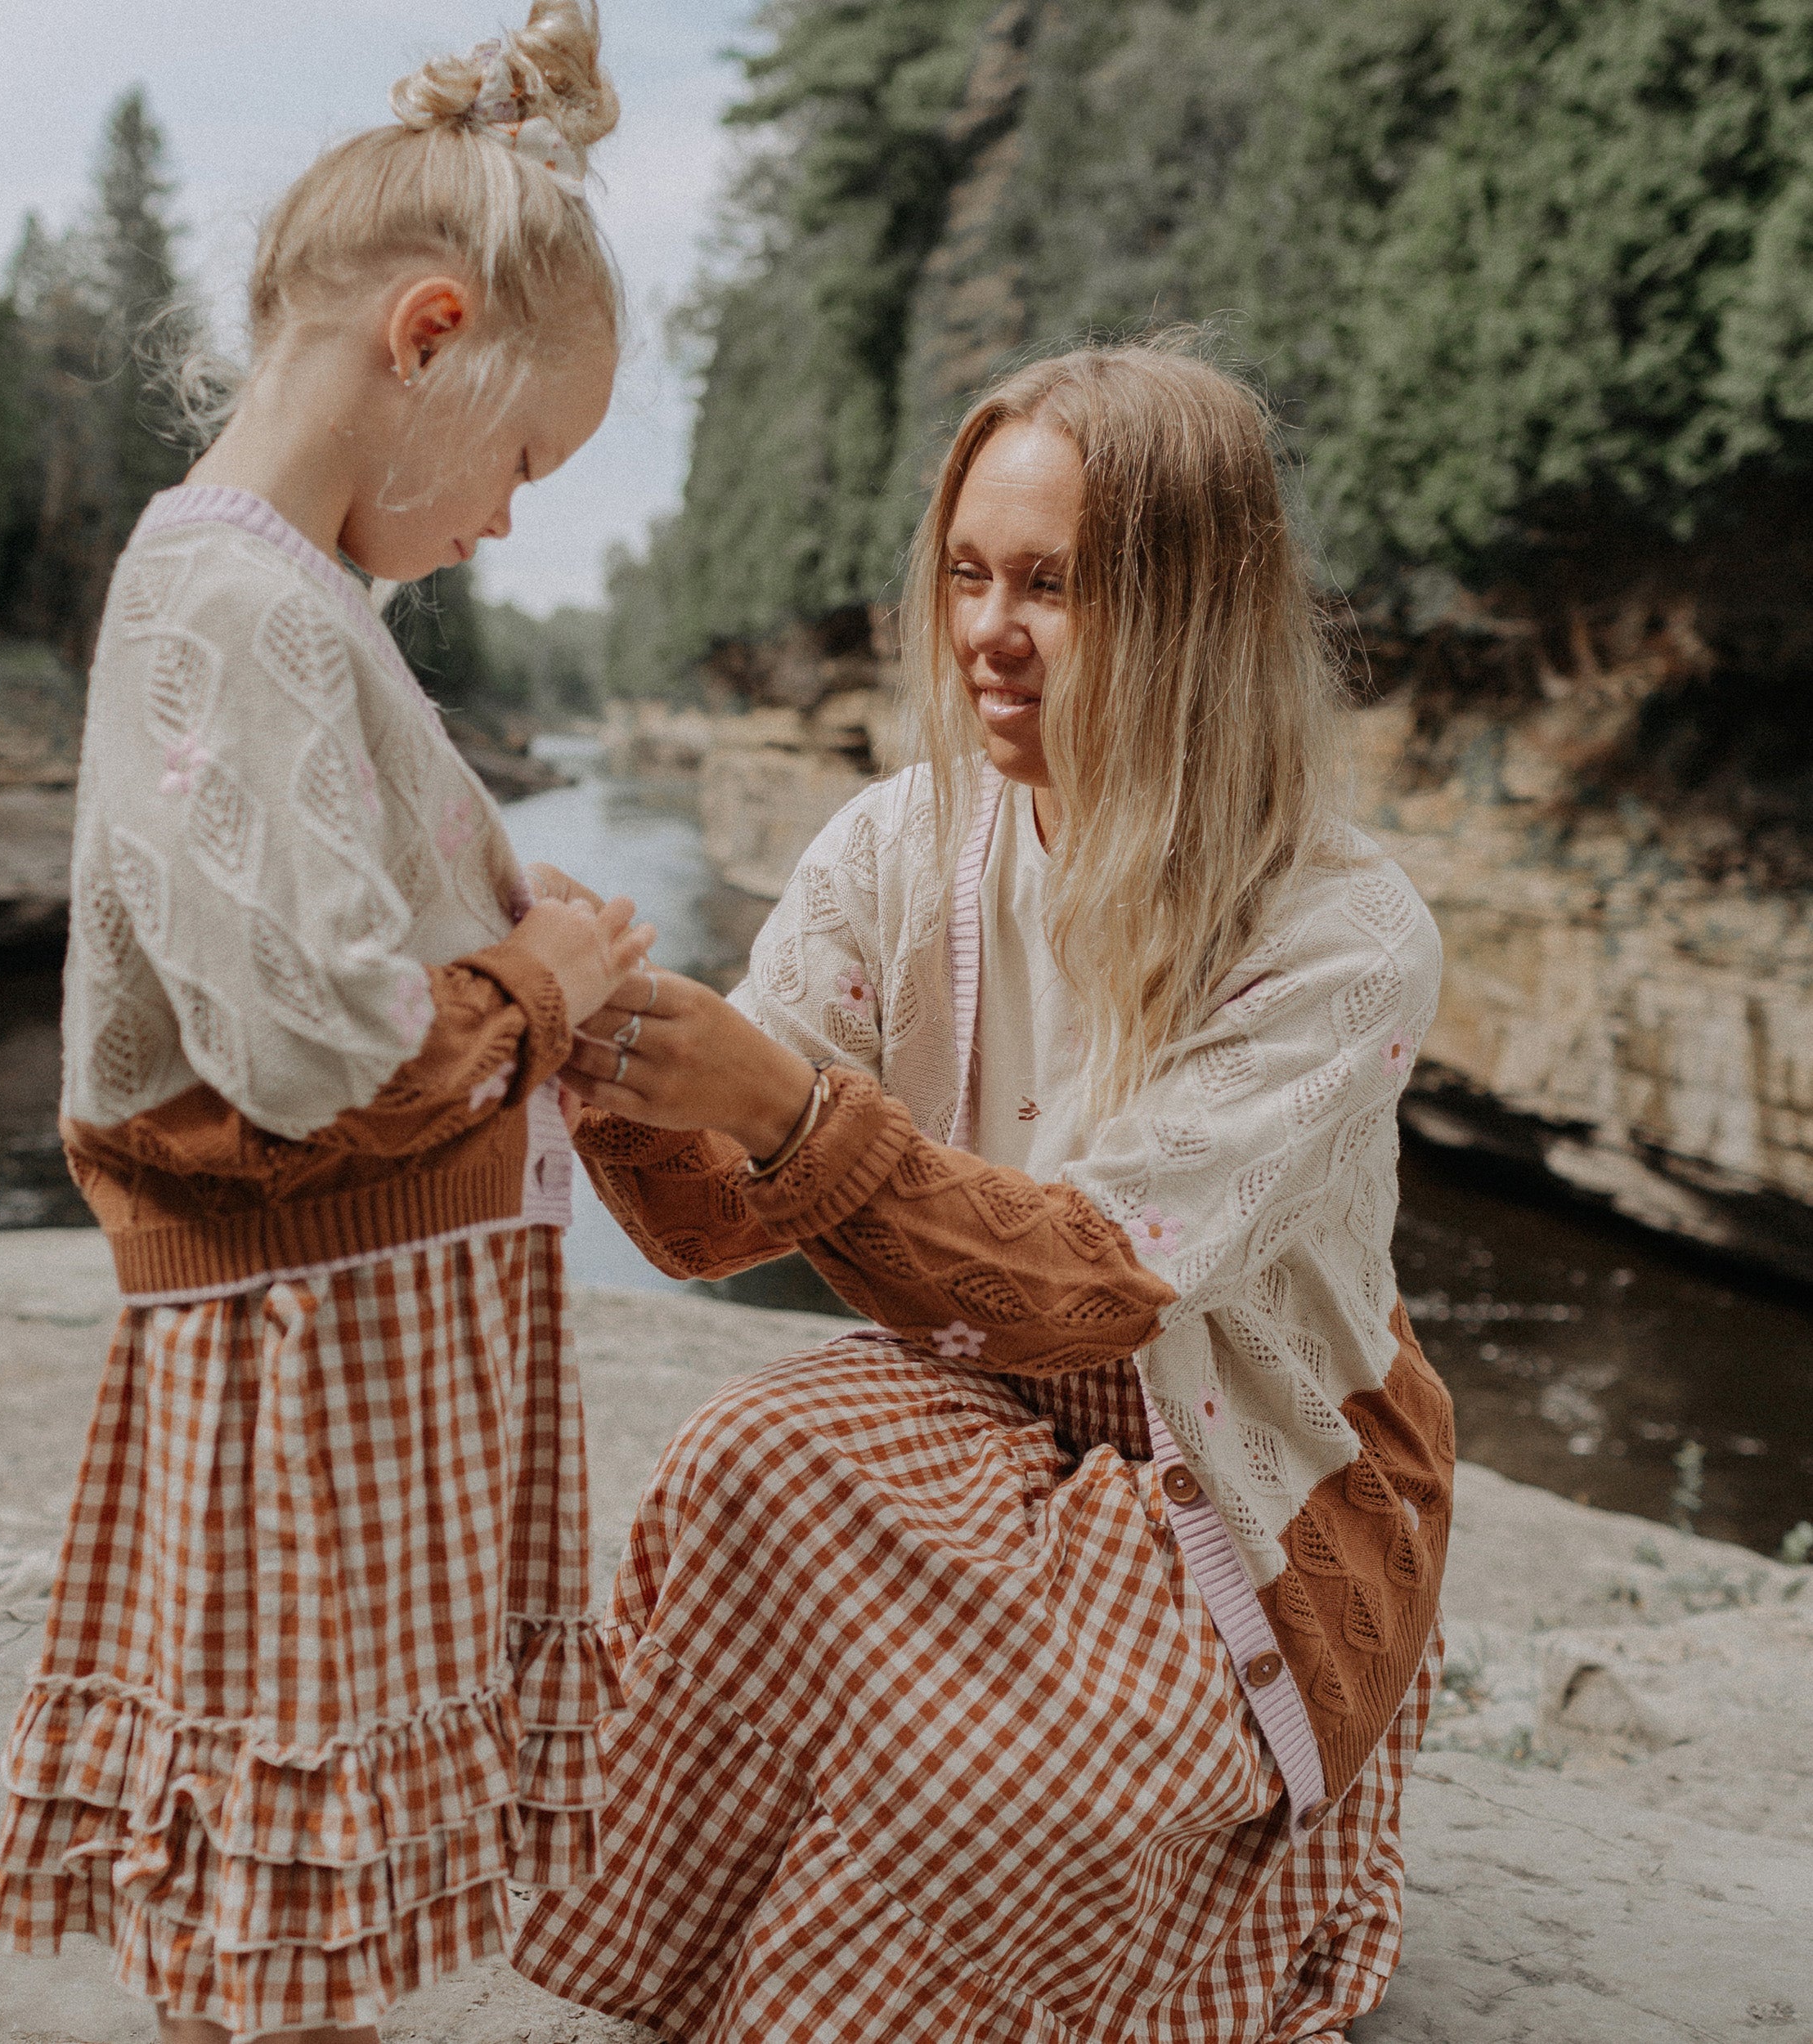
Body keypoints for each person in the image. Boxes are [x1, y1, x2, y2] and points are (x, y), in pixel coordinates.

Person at [517, 339, 1454, 2042]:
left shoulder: (1342, 929)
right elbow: (719, 1217)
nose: (985, 633)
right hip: (999, 1405)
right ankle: (736, 1940)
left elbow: (1092, 1284)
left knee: (986, 1785)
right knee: (743, 1455)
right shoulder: (896, 843)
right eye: (964, 573)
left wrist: (782, 1094)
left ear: (1191, 610)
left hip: (1246, 1483)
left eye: (1050, 585)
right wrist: (608, 1043)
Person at [0, 10, 643, 2039]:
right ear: (426, 334)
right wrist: (548, 982)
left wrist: (523, 910)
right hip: (306, 1320)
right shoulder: (233, 603)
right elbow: (324, 1040)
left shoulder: (288, 597)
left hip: (375, 1295)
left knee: (306, 1872)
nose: (511, 519)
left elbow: (378, 876)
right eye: (526, 460)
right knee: (264, 1863)